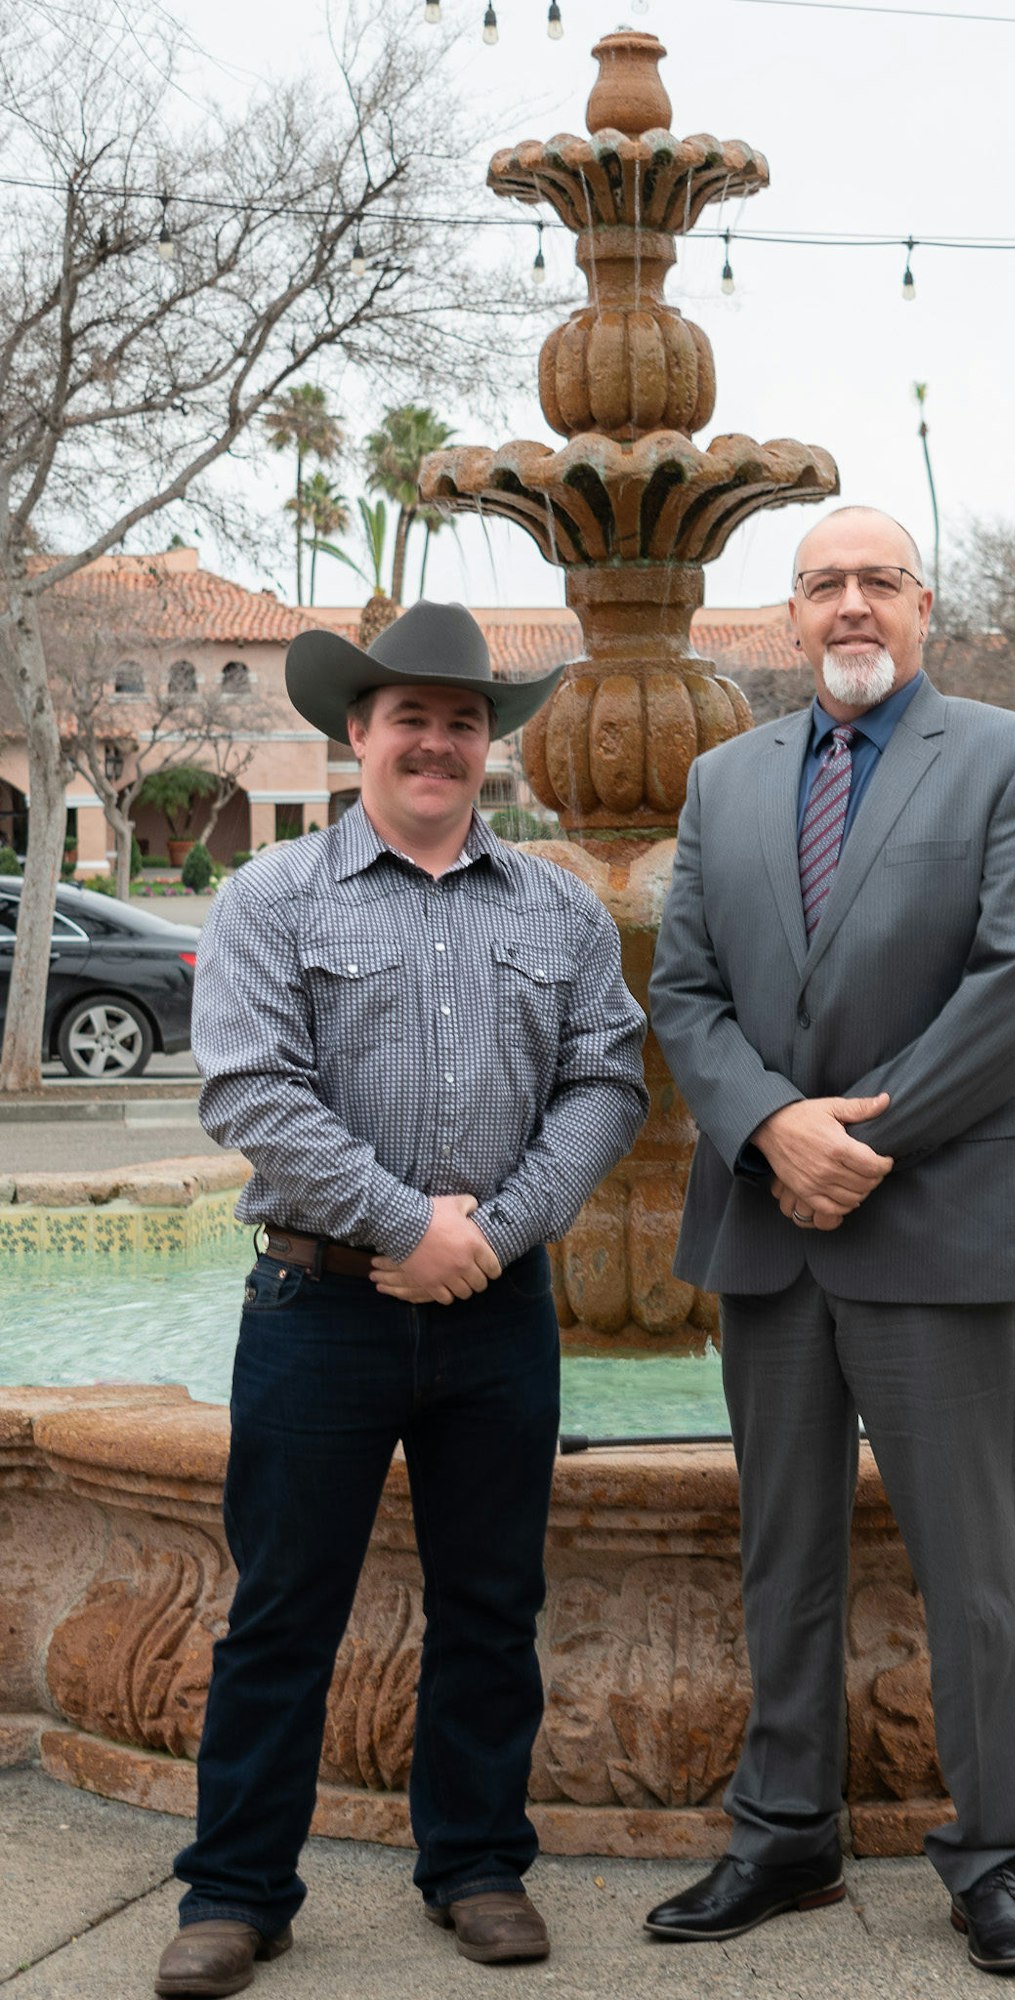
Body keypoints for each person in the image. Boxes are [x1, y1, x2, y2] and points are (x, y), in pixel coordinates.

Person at [155, 602, 648, 1998]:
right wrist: (401, 1228)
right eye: (409, 717)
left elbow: (607, 1081)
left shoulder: (554, 905)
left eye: (462, 719)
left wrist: (491, 1234)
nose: (436, 741)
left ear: (487, 746)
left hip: (497, 1311)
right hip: (320, 1311)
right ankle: (236, 1892)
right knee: (281, 1612)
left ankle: (477, 1864)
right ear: (354, 732)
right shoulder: (273, 898)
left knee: (492, 1603)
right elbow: (251, 1091)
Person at [644, 507, 1015, 1975]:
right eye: (823, 584)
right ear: (787, 619)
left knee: (972, 1570)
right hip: (766, 1228)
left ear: (922, 608)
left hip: (934, 1224)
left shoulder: (1011, 760)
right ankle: (783, 1836)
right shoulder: (722, 780)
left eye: (876, 582)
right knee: (783, 1556)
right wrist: (771, 1131)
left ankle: (990, 1855)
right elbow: (687, 995)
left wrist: (858, 1146)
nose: (850, 607)